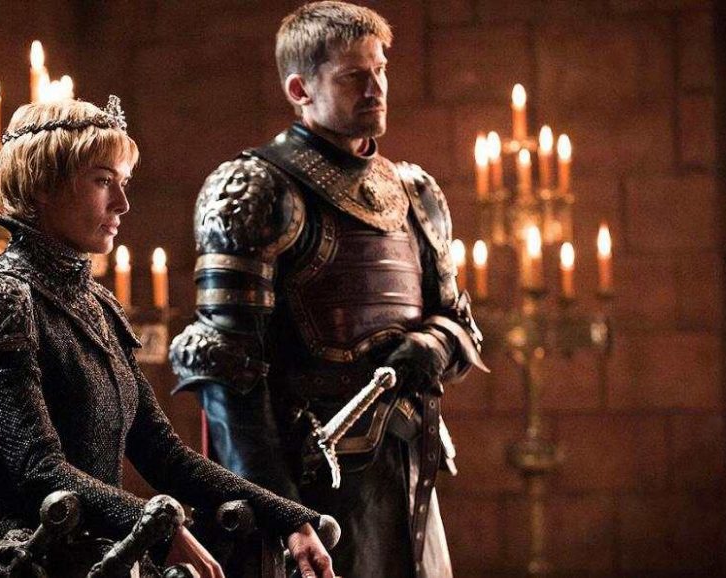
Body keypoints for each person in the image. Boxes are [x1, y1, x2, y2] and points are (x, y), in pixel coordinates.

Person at [169, 3, 487, 577]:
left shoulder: (414, 192)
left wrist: (432, 345)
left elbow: (458, 321)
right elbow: (225, 375)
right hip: (306, 480)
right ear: (300, 88)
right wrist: (283, 515)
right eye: (353, 76)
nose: (375, 89)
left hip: (407, 473)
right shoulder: (254, 190)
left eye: (380, 69)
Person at [0, 97, 334, 578]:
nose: (122, 203)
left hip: (101, 554)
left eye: (124, 182)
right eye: (102, 181)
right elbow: (37, 471)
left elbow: (163, 453)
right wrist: (156, 527)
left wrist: (289, 518)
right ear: (42, 185)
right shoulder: (0, 300)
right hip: (21, 559)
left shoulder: (98, 304)